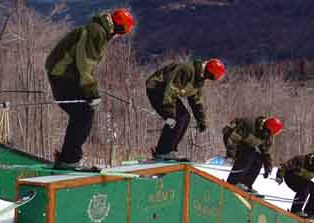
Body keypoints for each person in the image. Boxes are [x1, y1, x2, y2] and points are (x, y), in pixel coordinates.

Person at [45, 9, 135, 170]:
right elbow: (85, 64)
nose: (120, 36)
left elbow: (85, 65)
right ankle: (69, 159)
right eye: (123, 33)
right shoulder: (97, 32)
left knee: (82, 113)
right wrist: (92, 92)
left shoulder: (99, 30)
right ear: (119, 28)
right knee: (84, 113)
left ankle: (68, 157)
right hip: (62, 73)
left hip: (65, 72)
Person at [146, 58, 225, 161]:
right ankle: (163, 152)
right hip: (157, 87)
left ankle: (170, 150)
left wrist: (201, 121)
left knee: (185, 117)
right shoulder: (188, 70)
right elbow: (172, 88)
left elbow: (196, 101)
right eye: (214, 77)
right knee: (174, 118)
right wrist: (169, 111)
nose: (212, 79)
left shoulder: (199, 80)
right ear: (210, 72)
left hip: (166, 92)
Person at [222, 116, 283, 195]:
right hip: (231, 135)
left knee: (258, 158)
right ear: (265, 127)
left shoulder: (268, 137)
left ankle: (245, 184)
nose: (269, 135)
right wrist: (230, 155)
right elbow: (233, 139)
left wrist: (268, 166)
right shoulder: (249, 125)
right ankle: (233, 181)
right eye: (268, 132)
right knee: (249, 153)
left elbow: (265, 153)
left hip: (245, 143)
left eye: (271, 133)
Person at [274, 152, 314, 221]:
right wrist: (279, 176)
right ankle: (295, 210)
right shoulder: (301, 160)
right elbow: (284, 166)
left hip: (303, 181)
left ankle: (309, 212)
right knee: (305, 187)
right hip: (290, 177)